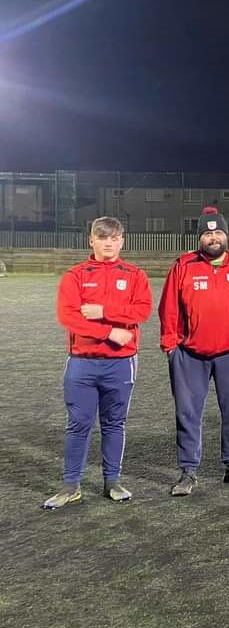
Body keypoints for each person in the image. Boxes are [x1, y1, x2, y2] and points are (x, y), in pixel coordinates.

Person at [43, 217, 152, 509]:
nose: (108, 243)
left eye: (114, 238)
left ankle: (112, 481)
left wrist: (104, 310)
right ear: (91, 240)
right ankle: (71, 485)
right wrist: (109, 331)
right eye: (102, 238)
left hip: (120, 363)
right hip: (82, 363)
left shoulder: (134, 275)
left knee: (114, 423)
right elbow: (69, 317)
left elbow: (141, 310)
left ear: (122, 241)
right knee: (78, 424)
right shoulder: (75, 275)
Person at [160, 207, 229, 496]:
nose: (213, 238)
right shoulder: (183, 266)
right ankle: (188, 470)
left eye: (218, 232)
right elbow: (168, 308)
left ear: (226, 236)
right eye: (207, 233)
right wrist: (170, 345)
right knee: (188, 412)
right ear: (199, 238)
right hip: (190, 354)